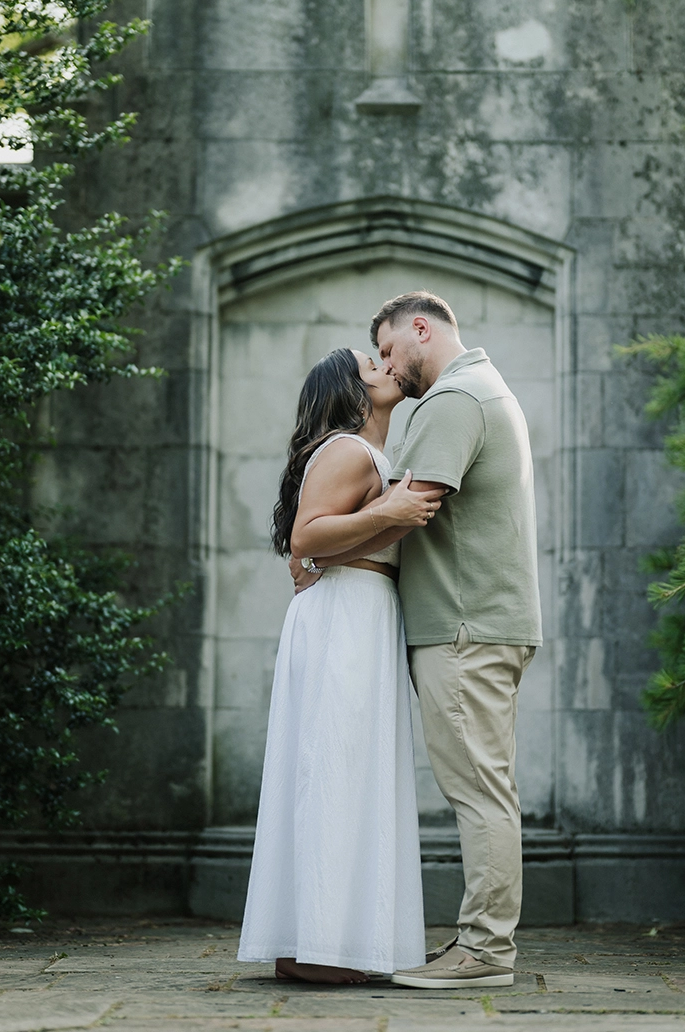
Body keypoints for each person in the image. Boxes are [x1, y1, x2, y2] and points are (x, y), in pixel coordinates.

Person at [295, 291, 541, 989]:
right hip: (478, 622)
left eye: (386, 348)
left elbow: (410, 512)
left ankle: (485, 952)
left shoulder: (454, 399)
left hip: (464, 625)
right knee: (486, 784)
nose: (385, 364)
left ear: (420, 329)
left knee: (478, 790)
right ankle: (481, 943)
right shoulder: (479, 390)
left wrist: (316, 552)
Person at [237, 348, 440, 982]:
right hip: (344, 618)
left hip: (363, 610)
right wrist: (391, 512)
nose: (384, 365)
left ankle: (328, 943)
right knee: (334, 769)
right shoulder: (348, 450)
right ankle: (320, 947)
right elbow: (307, 538)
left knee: (347, 772)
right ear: (349, 389)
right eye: (368, 363)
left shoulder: (372, 453)